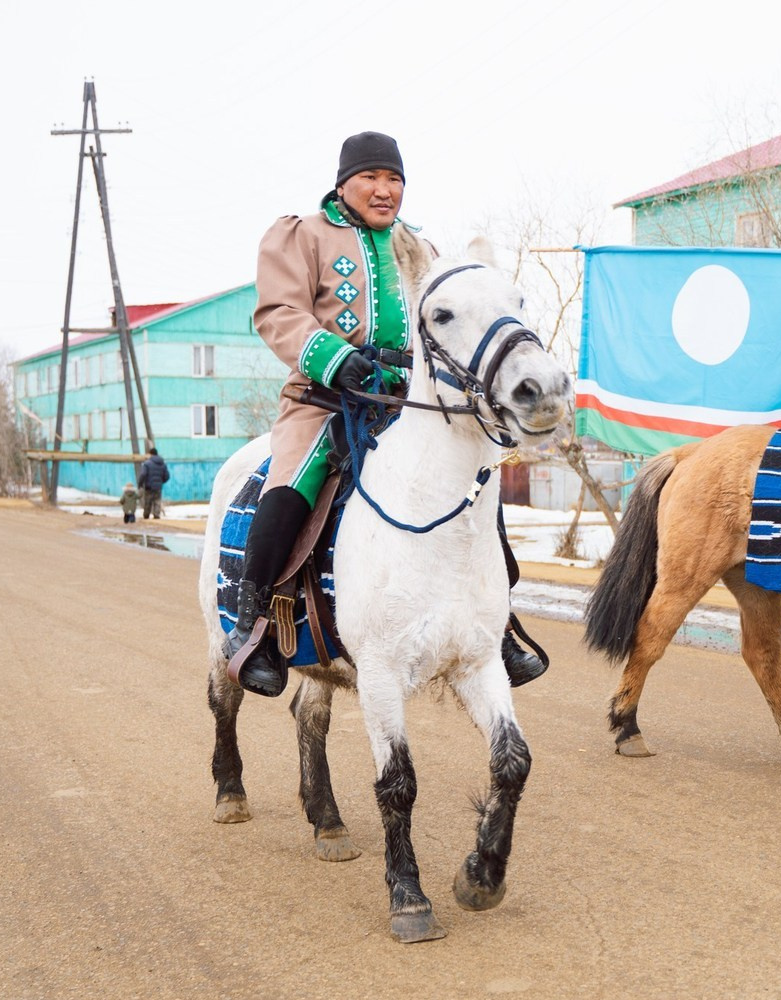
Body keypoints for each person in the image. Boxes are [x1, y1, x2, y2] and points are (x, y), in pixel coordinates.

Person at [222, 130, 546, 697]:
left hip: (410, 404)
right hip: (325, 400)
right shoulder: (302, 236)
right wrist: (336, 359)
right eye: (371, 177)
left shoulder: (419, 248)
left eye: (394, 179)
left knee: (475, 482)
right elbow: (278, 311)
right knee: (294, 481)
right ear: (344, 182)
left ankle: (495, 626)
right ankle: (256, 631)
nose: (383, 189)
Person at [137, 445, 170, 519]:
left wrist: (140, 484)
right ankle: (156, 515)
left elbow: (143, 474)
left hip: (149, 486)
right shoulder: (163, 464)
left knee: (148, 501)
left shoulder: (147, 463)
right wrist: (161, 482)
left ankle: (146, 515)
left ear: (150, 454)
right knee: (157, 501)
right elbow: (167, 476)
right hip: (158, 487)